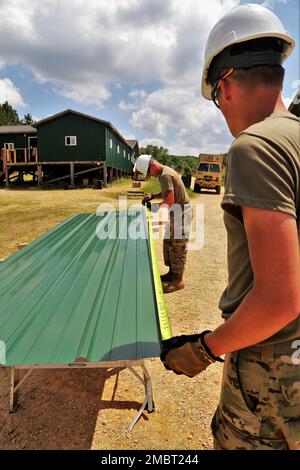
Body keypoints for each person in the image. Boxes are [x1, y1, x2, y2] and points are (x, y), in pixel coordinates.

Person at [161, 3, 300, 450]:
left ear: (225, 87)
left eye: (217, 102)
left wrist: (203, 348)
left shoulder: (254, 147)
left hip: (271, 368)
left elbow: (279, 298)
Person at [133, 155, 192, 293]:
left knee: (178, 245)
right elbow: (167, 193)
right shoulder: (164, 173)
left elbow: (169, 202)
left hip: (181, 213)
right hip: (176, 212)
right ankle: (172, 274)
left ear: (152, 166)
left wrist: (152, 208)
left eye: (148, 173)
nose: (150, 176)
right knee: (169, 243)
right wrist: (153, 196)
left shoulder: (165, 175)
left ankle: (178, 281)